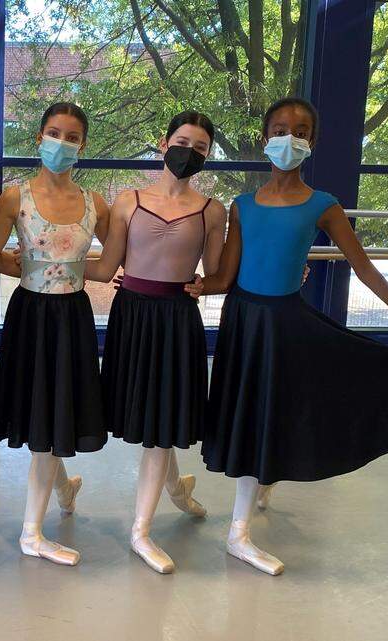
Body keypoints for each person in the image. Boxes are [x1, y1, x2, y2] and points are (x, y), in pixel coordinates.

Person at [198, 97, 388, 575]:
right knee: (252, 413)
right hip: (244, 324)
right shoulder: (242, 206)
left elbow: (364, 268)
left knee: (278, 407)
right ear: (264, 138)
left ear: (311, 141)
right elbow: (225, 277)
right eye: (280, 129)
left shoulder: (323, 205)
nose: (289, 138)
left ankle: (240, 530)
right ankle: (242, 522)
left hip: (285, 323)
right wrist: (184, 285)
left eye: (300, 131)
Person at [82, 111, 227, 574]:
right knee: (148, 417)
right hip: (131, 316)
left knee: (162, 421)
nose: (189, 152)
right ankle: (178, 489)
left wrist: (210, 285)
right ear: (164, 143)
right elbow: (106, 268)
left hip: (176, 320)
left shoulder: (212, 211)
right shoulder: (128, 200)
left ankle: (141, 531)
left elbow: (217, 275)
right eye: (183, 141)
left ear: (207, 156)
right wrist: (39, 262)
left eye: (200, 147)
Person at [0, 102, 107, 566]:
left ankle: (49, 506)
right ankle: (33, 530)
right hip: (30, 315)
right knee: (40, 408)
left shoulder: (95, 203)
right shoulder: (15, 197)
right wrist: (29, 266)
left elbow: (111, 262)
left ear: (83, 145)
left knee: (57, 407)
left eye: (72, 136)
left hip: (72, 318)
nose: (61, 143)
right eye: (54, 133)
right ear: (39, 137)